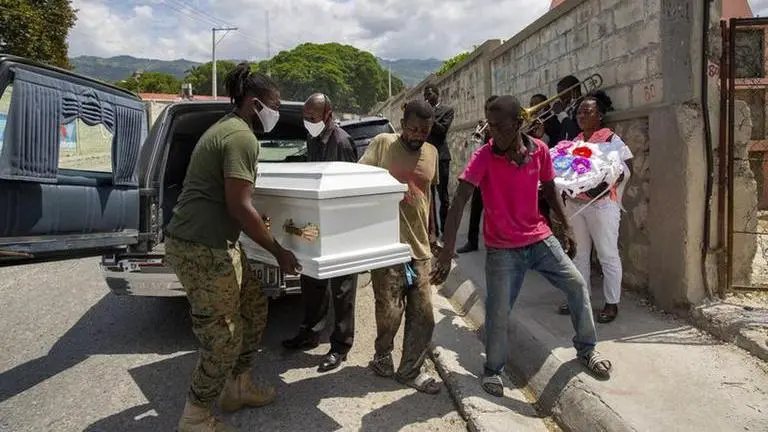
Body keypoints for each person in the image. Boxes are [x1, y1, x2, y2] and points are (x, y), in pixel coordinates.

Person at [431, 95, 612, 398]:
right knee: (498, 311)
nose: (492, 132)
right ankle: (493, 369)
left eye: (499, 126)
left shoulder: (539, 150)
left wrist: (565, 227)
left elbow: (550, 188)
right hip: (502, 249)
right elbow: (460, 201)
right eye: (489, 125)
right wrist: (448, 253)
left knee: (577, 286)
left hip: (540, 238)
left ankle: (586, 349)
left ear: (518, 123)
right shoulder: (485, 156)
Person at [164, 62, 302, 432]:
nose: (278, 110)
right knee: (222, 337)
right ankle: (195, 418)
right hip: (200, 247)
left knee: (254, 306)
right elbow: (239, 206)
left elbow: (242, 203)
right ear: (256, 104)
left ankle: (237, 387)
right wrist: (279, 251)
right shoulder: (241, 136)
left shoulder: (230, 129)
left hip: (217, 243)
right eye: (275, 103)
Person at [359, 100, 442, 395]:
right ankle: (382, 358)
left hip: (419, 246)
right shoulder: (383, 143)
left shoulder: (431, 152)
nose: (418, 135)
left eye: (425, 130)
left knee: (424, 315)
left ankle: (410, 370)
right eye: (413, 128)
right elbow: (358, 180)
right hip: (386, 244)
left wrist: (434, 237)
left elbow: (429, 198)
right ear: (402, 122)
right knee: (390, 311)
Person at [282, 93, 359, 372]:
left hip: (339, 225)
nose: (307, 122)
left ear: (328, 115)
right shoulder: (313, 138)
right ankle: (309, 332)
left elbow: (350, 187)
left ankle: (340, 346)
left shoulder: (340, 142)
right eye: (305, 117)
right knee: (311, 280)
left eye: (312, 118)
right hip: (316, 223)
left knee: (342, 288)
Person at [557, 91, 632, 323]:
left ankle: (611, 303)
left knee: (607, 254)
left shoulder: (611, 140)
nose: (581, 115)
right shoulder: (576, 141)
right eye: (579, 112)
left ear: (599, 116)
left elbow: (627, 167)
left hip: (602, 205)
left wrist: (602, 186)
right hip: (577, 205)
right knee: (579, 254)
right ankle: (582, 298)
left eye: (587, 112)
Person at [458, 95, 497, 254]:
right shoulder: (484, 126)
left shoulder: (503, 126)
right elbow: (476, 149)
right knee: (476, 206)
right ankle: (472, 241)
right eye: (486, 110)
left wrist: (492, 133)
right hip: (482, 174)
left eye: (491, 110)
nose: (488, 114)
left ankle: (496, 243)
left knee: (494, 211)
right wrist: (479, 134)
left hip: (497, 175)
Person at [424, 84, 455, 237]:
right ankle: (432, 231)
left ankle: (445, 230)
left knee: (443, 197)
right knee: (429, 197)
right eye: (425, 95)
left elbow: (442, 130)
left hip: (441, 157)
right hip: (426, 158)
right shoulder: (424, 112)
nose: (427, 97)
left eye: (429, 94)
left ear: (437, 94)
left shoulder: (447, 110)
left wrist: (429, 116)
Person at [553, 75, 583, 142]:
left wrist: (562, 114)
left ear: (574, 91)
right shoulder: (569, 108)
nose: (560, 98)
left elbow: (576, 135)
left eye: (562, 94)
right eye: (559, 95)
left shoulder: (584, 107)